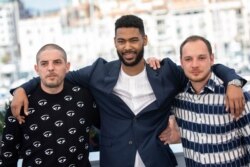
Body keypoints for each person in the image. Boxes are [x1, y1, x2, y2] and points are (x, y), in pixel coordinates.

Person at [10, 15, 246, 167]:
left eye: (134, 40)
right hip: (115, 160)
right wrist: (21, 88)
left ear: (145, 40)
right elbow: (58, 74)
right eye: (122, 41)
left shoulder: (165, 72)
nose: (128, 46)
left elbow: (204, 67)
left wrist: (233, 82)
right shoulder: (98, 72)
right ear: (115, 43)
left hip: (158, 160)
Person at [0, 44, 99, 166]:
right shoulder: (20, 103)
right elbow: (7, 154)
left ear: (67, 67)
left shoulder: (85, 97)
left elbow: (109, 126)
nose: (51, 68)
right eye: (44, 63)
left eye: (57, 62)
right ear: (37, 69)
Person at [159, 35, 250, 166]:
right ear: (181, 62)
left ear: (211, 59)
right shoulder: (177, 99)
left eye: (201, 58)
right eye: (188, 59)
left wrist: (234, 82)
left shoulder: (236, 97)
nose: (195, 65)